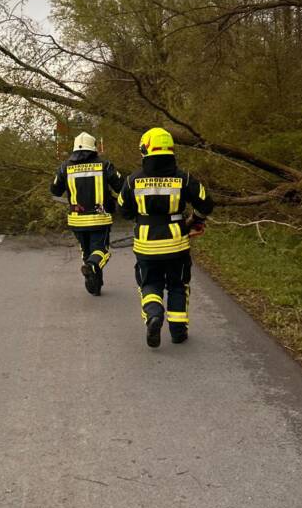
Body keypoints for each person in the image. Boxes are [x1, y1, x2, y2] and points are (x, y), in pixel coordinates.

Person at [118, 126, 213, 348]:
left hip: (146, 245)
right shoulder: (183, 178)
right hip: (176, 244)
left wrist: (140, 215)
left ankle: (154, 314)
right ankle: (178, 332)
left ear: (145, 150)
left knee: (149, 283)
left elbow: (123, 210)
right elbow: (206, 204)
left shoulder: (132, 180)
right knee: (178, 285)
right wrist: (195, 220)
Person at [50, 131, 123, 295]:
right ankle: (91, 267)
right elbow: (121, 187)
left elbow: (55, 190)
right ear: (94, 147)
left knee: (87, 252)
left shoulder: (64, 167)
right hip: (100, 218)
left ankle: (94, 286)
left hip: (77, 220)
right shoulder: (105, 165)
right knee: (101, 252)